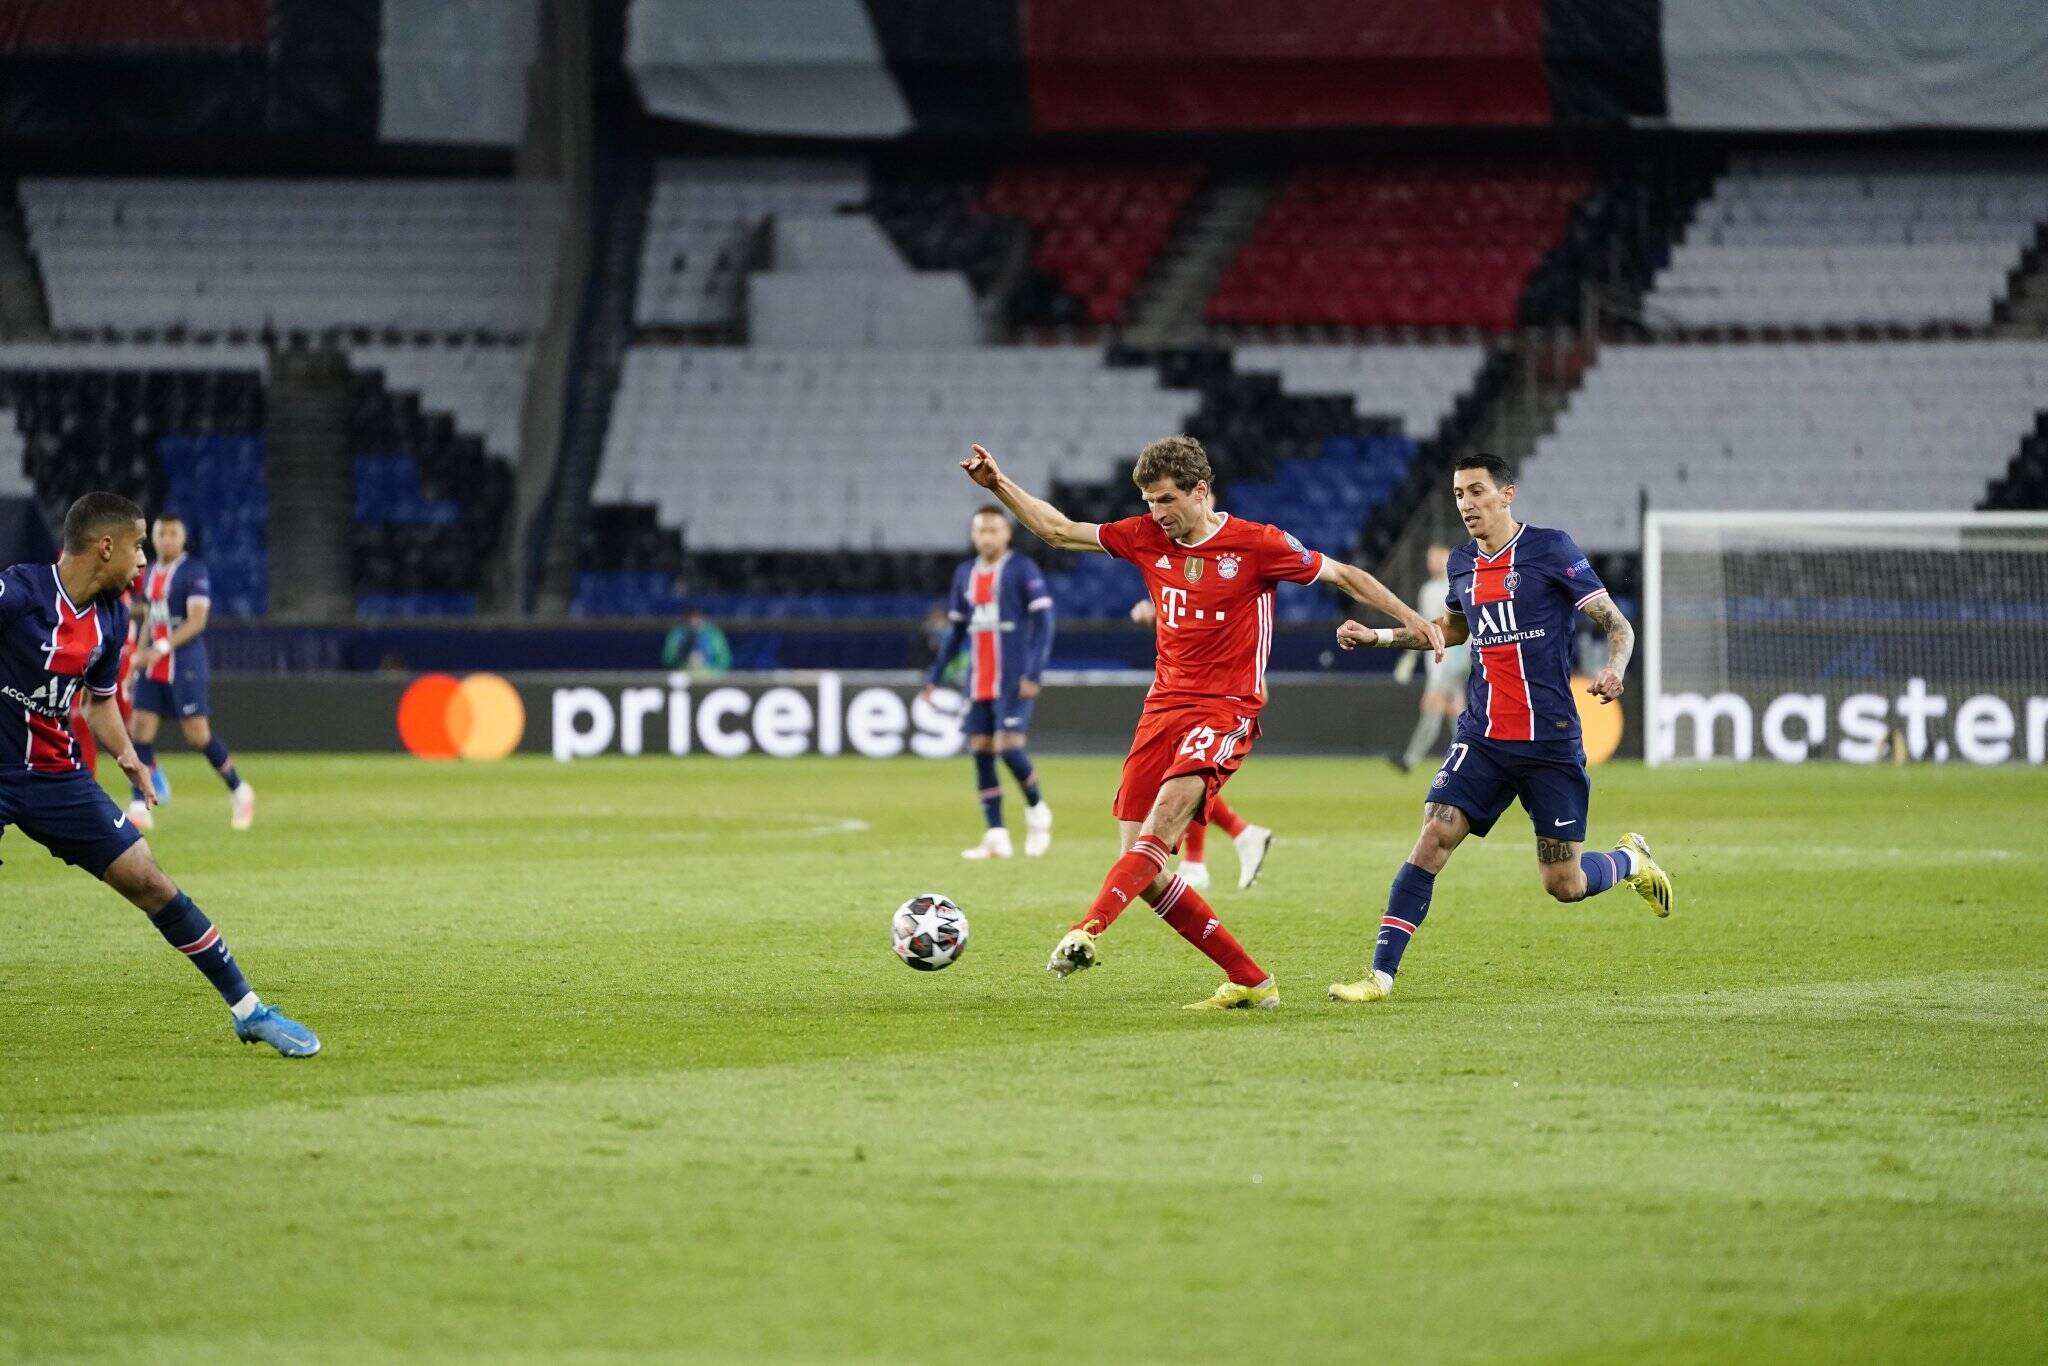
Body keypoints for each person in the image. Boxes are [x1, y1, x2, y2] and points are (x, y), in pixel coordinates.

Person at [961, 437, 1441, 1009]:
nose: (1157, 513)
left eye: (1166, 499)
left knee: (1159, 833)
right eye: (1148, 501)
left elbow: (1343, 575)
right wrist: (999, 485)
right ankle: (1251, 981)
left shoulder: (1257, 544)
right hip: (1161, 709)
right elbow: (1059, 530)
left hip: (1226, 709)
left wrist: (1413, 620)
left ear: (1200, 490)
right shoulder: (1145, 536)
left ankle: (1085, 929)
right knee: (1143, 868)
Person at [1329, 453, 1673, 1006]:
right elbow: (1452, 631)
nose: (1466, 503)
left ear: (1506, 494)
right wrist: (1380, 638)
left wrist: (1615, 669)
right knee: (1432, 839)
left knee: (1563, 884)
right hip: (1483, 737)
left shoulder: (1550, 548)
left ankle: (1631, 860)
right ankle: (1379, 976)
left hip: (1550, 741)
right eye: (1459, 494)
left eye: (1476, 492)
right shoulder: (1462, 563)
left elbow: (1617, 623)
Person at [0, 493, 319, 1055]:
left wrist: (130, 759)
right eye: (138, 545)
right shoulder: (20, 592)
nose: (144, 560)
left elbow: (99, 703)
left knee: (150, 880)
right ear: (105, 547)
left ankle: (249, 1010)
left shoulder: (112, 616)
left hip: (57, 778)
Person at [918, 505, 1056, 859]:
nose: (987, 536)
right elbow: (955, 632)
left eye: (994, 530)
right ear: (973, 535)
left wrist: (1034, 673)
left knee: (1008, 748)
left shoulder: (1022, 570)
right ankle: (997, 835)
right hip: (978, 679)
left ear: (1007, 533)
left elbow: (1044, 625)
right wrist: (934, 677)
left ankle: (1037, 810)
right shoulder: (965, 574)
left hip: (1013, 678)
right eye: (981, 530)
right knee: (980, 751)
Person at [1129, 595, 1272, 889]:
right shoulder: (1194, 580)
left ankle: (1201, 859)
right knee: (1179, 776)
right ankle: (1237, 838)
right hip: (1194, 692)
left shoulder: (1234, 586)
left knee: (1186, 774)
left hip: (1217, 701)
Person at [126, 513, 253, 831]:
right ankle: (140, 805)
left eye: (173, 533)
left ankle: (239, 790)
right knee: (140, 729)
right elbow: (152, 620)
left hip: (184, 664)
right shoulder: (152, 570)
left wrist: (161, 649)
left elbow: (197, 621)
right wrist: (137, 659)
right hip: (154, 663)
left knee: (197, 735)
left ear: (182, 538)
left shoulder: (194, 571)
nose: (167, 539)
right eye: (161, 533)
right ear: (152, 537)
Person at [1391, 543, 1469, 772]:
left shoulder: (1458, 585)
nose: (1433, 562)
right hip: (1434, 661)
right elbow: (1421, 628)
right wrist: (1410, 658)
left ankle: (1412, 759)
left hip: (1451, 658)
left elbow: (1461, 627)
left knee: (1436, 705)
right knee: (1454, 708)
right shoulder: (1427, 590)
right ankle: (1465, 754)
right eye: (1430, 558)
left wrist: (1462, 657)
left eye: (1438, 557)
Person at [662, 608, 732, 673]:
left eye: (697, 618)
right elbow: (668, 659)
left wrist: (707, 667)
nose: (693, 621)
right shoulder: (677, 633)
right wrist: (683, 661)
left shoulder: (713, 633)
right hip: (682, 672)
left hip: (709, 674)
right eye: (691, 618)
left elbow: (724, 660)